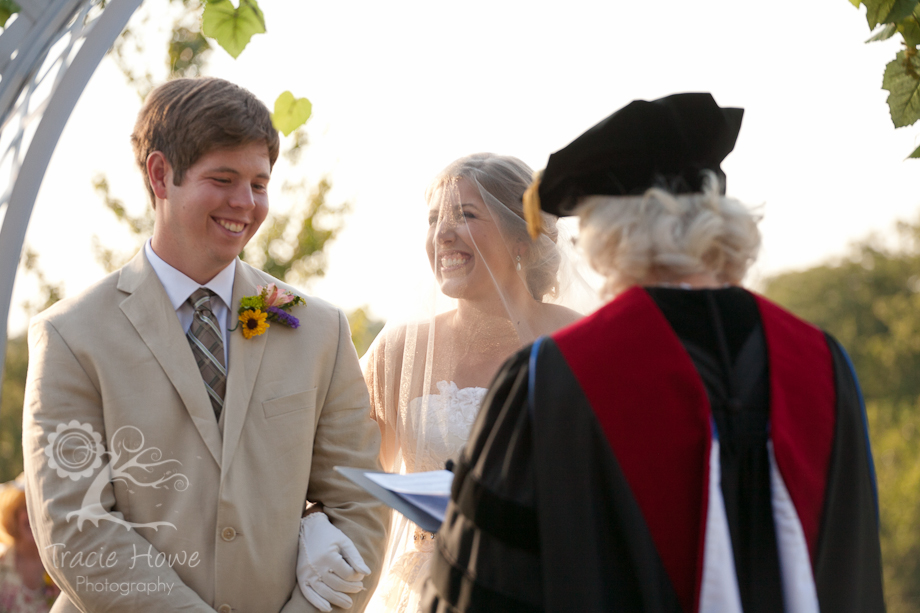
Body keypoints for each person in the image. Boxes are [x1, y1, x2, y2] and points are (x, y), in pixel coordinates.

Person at [422, 93, 885, 612]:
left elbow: (477, 596)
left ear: (607, 236)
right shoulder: (824, 362)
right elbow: (856, 568)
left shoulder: (551, 377)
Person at [22, 77, 387, 613]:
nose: (245, 203)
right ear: (160, 174)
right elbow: (78, 530)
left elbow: (360, 501)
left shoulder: (320, 330)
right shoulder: (70, 336)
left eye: (259, 184)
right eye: (224, 179)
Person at [363, 153, 596, 612]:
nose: (442, 233)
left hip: (546, 586)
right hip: (429, 590)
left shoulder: (580, 344)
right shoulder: (400, 348)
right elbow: (354, 475)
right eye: (434, 220)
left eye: (465, 215)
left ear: (522, 240)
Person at [0, 476, 59, 612]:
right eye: (27, 508)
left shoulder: (64, 564)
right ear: (13, 514)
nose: (34, 517)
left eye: (40, 509)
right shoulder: (2, 565)